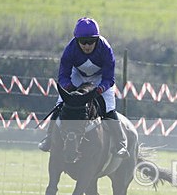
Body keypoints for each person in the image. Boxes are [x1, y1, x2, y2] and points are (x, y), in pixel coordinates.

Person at [39, 17, 128, 157]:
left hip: (100, 78)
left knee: (109, 108)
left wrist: (99, 90)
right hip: (77, 76)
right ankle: (48, 138)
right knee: (61, 103)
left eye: (91, 41)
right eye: (83, 41)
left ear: (97, 39)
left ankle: (120, 144)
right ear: (76, 40)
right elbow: (63, 76)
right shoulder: (70, 49)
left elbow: (109, 79)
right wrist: (70, 89)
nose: (87, 45)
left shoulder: (105, 49)